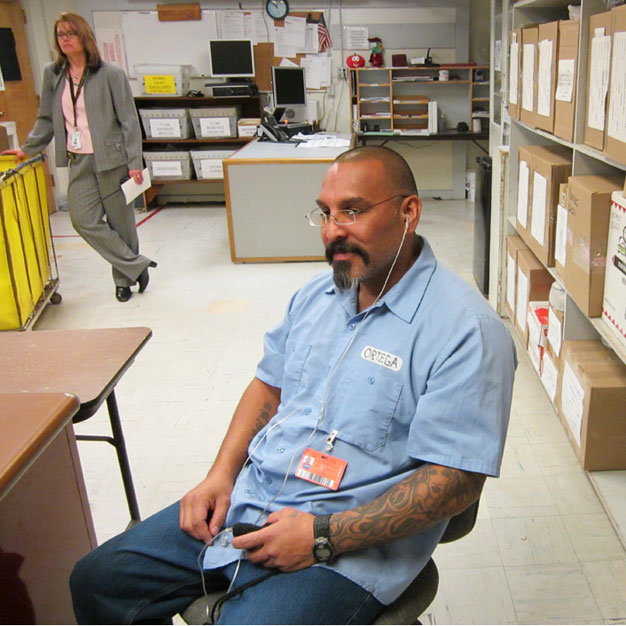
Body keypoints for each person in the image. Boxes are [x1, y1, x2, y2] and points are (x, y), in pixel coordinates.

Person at [70, 146, 517, 624]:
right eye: (325, 213)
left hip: (348, 546)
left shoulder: (465, 330)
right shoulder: (317, 297)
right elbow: (268, 388)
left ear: (409, 212)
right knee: (98, 580)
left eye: (352, 211)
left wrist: (323, 535)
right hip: (252, 501)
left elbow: (455, 482)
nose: (332, 231)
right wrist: (221, 475)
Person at [1, 12, 155, 303]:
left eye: (71, 33)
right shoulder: (53, 74)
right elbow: (46, 118)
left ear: (84, 37)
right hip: (79, 159)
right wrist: (28, 148)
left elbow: (129, 121)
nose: (65, 39)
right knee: (82, 219)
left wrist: (135, 160)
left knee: (121, 222)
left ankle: (123, 280)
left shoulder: (110, 73)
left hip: (113, 159)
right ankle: (136, 266)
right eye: (60, 35)